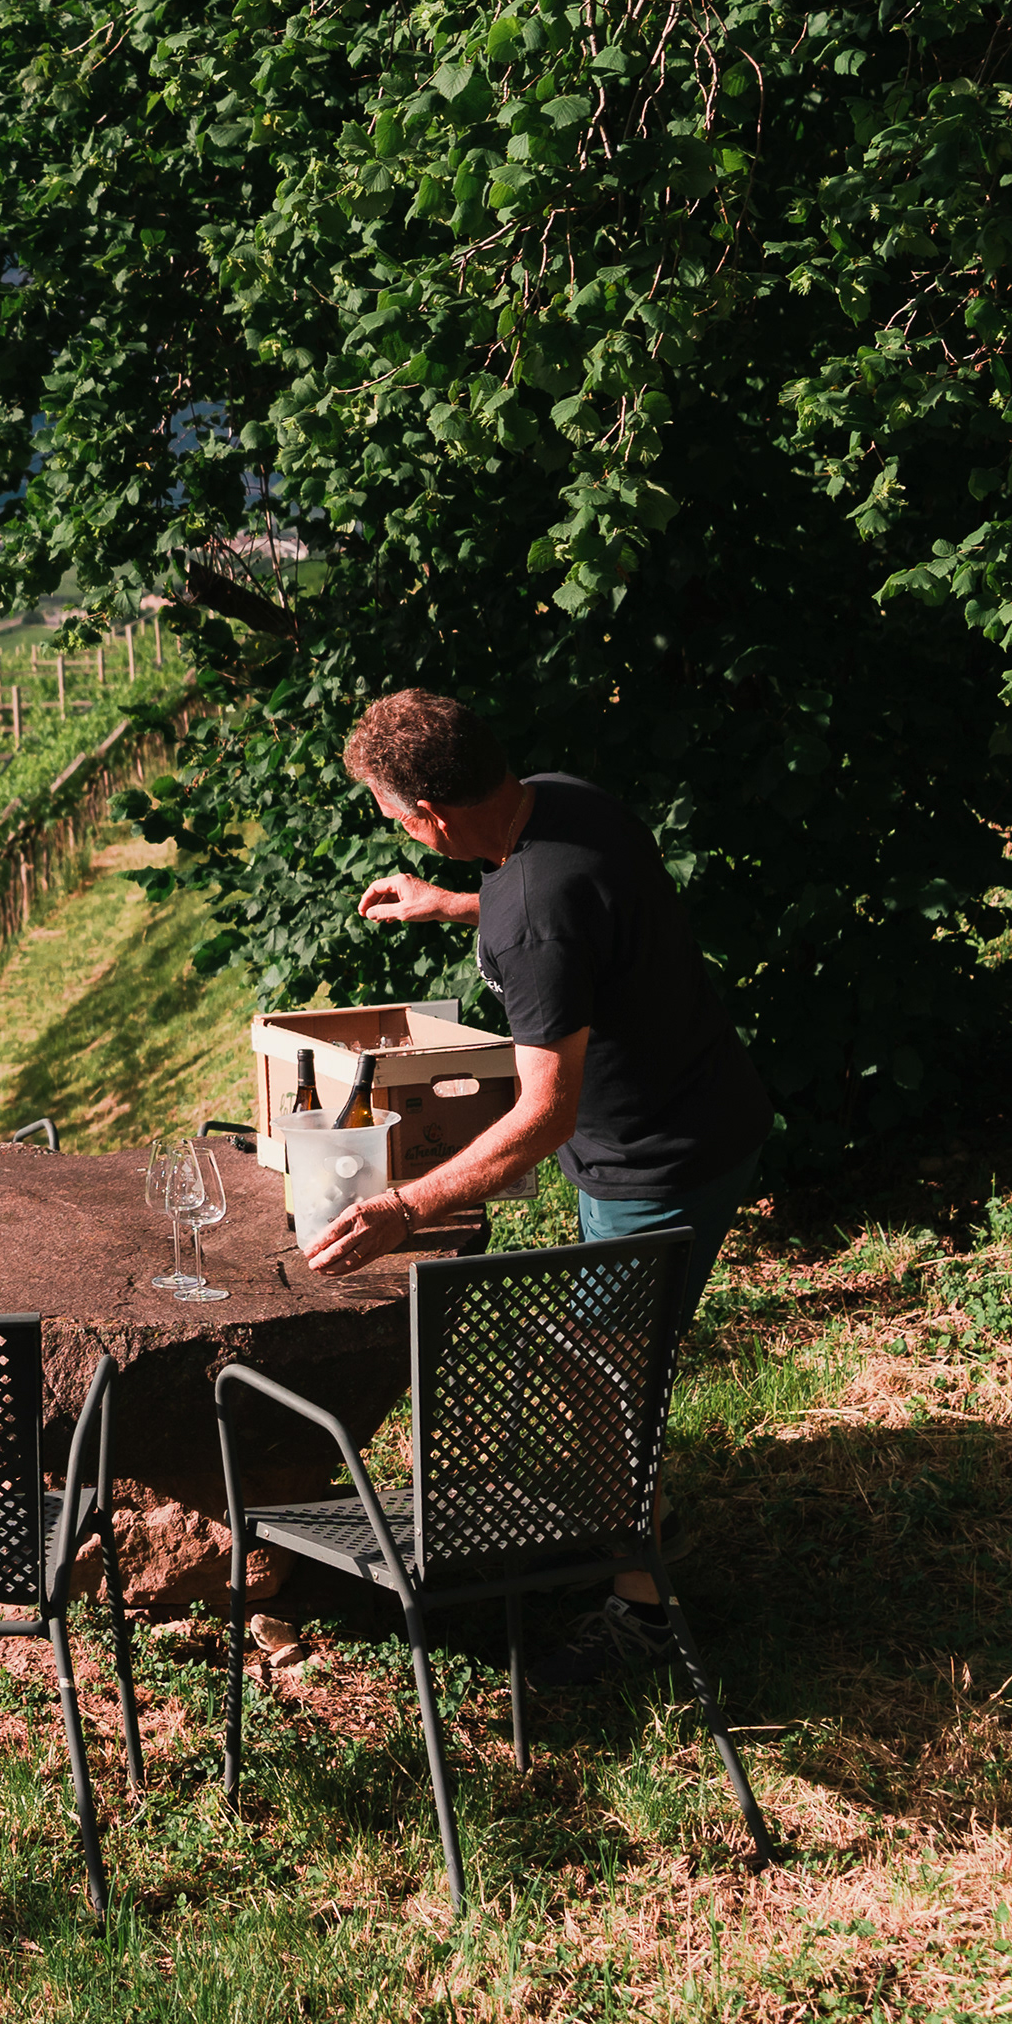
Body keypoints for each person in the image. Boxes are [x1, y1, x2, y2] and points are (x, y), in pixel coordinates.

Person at [298, 688, 772, 1682]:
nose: (391, 825)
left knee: (600, 1376)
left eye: (389, 810)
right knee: (609, 1366)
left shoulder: (533, 911)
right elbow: (575, 908)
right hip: (708, 1114)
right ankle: (630, 1513)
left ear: (428, 816)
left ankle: (642, 1615)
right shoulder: (563, 803)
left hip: (655, 1168)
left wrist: (402, 1205)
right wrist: (454, 904)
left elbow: (544, 1114)